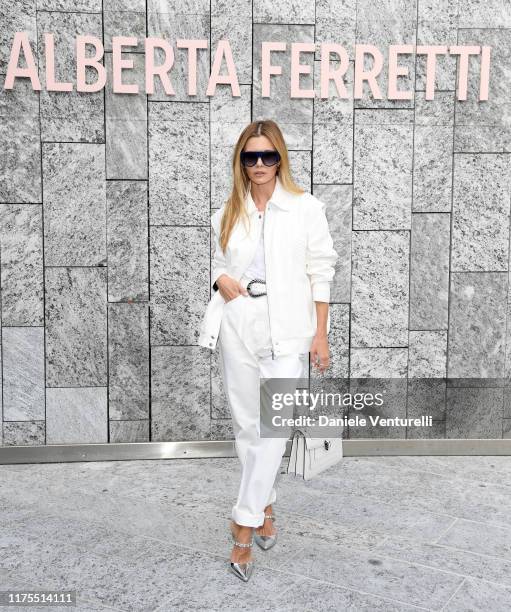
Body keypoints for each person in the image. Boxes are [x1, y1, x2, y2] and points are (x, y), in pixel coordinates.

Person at [198, 119, 338, 581]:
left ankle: (243, 524)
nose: (259, 165)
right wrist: (221, 279)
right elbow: (219, 264)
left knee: (273, 431)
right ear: (241, 161)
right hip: (239, 323)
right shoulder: (229, 210)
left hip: (289, 329)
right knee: (246, 429)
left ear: (281, 158)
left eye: (268, 156)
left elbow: (322, 271)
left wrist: (320, 334)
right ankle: (268, 505)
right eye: (250, 157)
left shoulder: (305, 208)